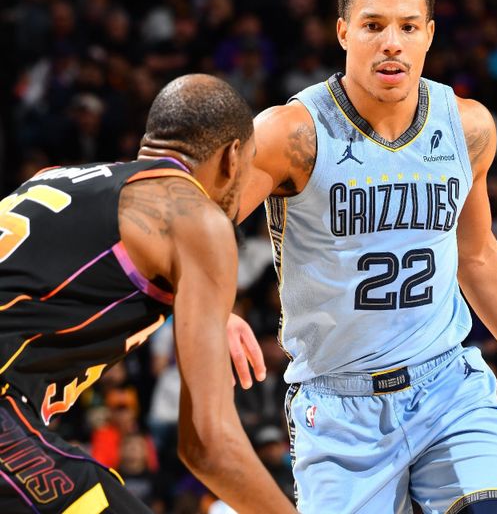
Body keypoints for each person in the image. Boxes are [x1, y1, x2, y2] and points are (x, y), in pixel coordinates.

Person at [238, 0, 497, 513]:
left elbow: (477, 255)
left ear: (429, 35)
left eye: (408, 27)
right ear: (343, 32)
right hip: (338, 405)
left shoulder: (468, 126)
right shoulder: (290, 133)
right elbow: (202, 219)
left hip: (447, 382)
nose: (392, 41)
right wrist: (214, 303)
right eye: (373, 25)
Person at [0, 74, 295, 513]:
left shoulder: (59, 178)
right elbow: (206, 447)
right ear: (233, 157)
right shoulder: (197, 218)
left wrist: (206, 309)